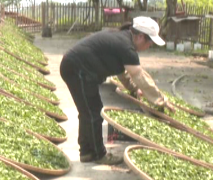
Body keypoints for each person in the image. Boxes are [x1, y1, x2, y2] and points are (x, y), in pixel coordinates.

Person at [59, 16, 173, 165]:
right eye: (150, 42)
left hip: (75, 67)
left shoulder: (123, 38)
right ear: (140, 37)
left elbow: (123, 73)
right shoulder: (126, 47)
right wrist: (160, 100)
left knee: (87, 112)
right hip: (77, 69)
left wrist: (133, 89)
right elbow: (139, 76)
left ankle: (87, 153)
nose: (150, 46)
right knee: (93, 112)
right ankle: (99, 155)